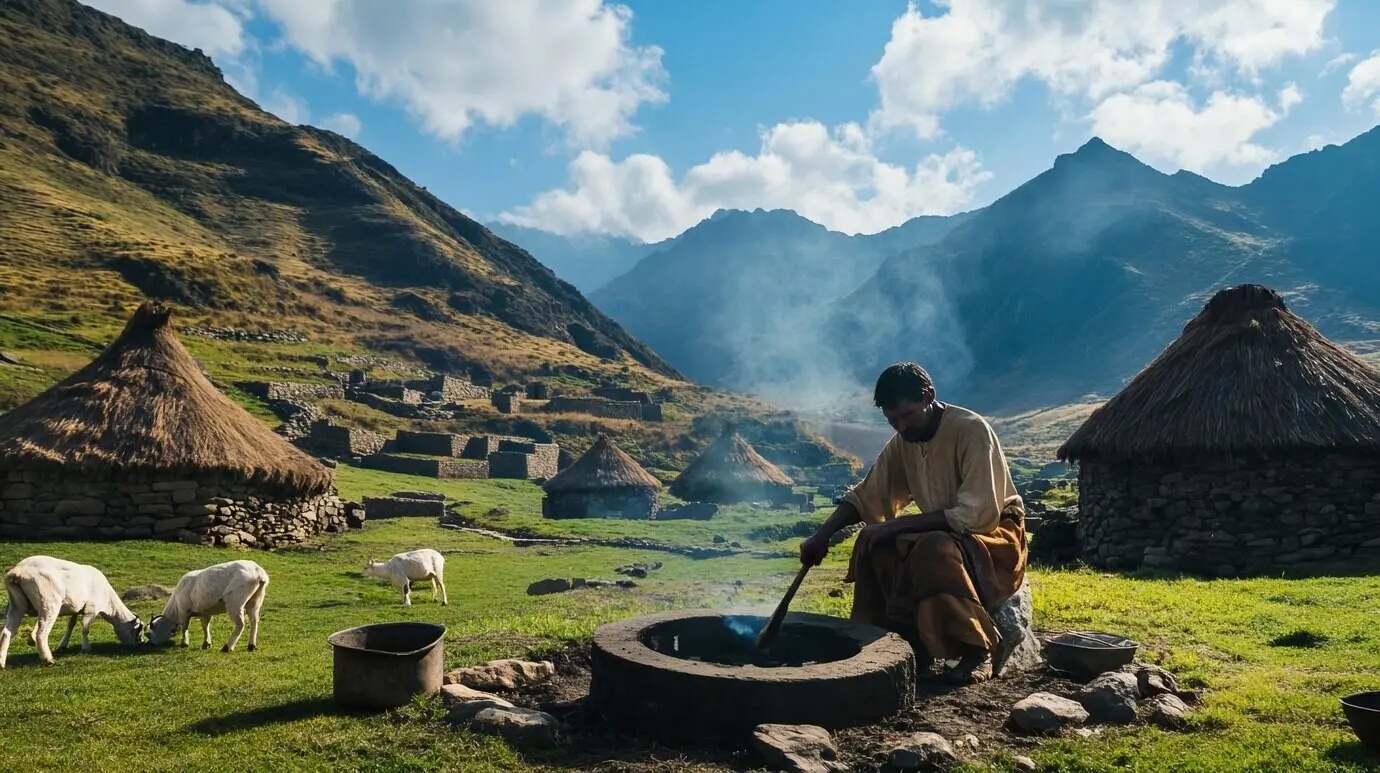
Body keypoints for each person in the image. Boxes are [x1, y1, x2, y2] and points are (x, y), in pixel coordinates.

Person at [800, 362, 1027, 684]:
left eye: (907, 416)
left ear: (928, 396)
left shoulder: (971, 429)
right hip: (946, 530)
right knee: (875, 542)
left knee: (933, 549)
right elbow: (869, 495)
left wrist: (894, 525)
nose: (902, 427)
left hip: (995, 533)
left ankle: (975, 649)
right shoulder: (905, 440)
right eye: (893, 421)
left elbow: (977, 514)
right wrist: (821, 536)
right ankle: (904, 643)